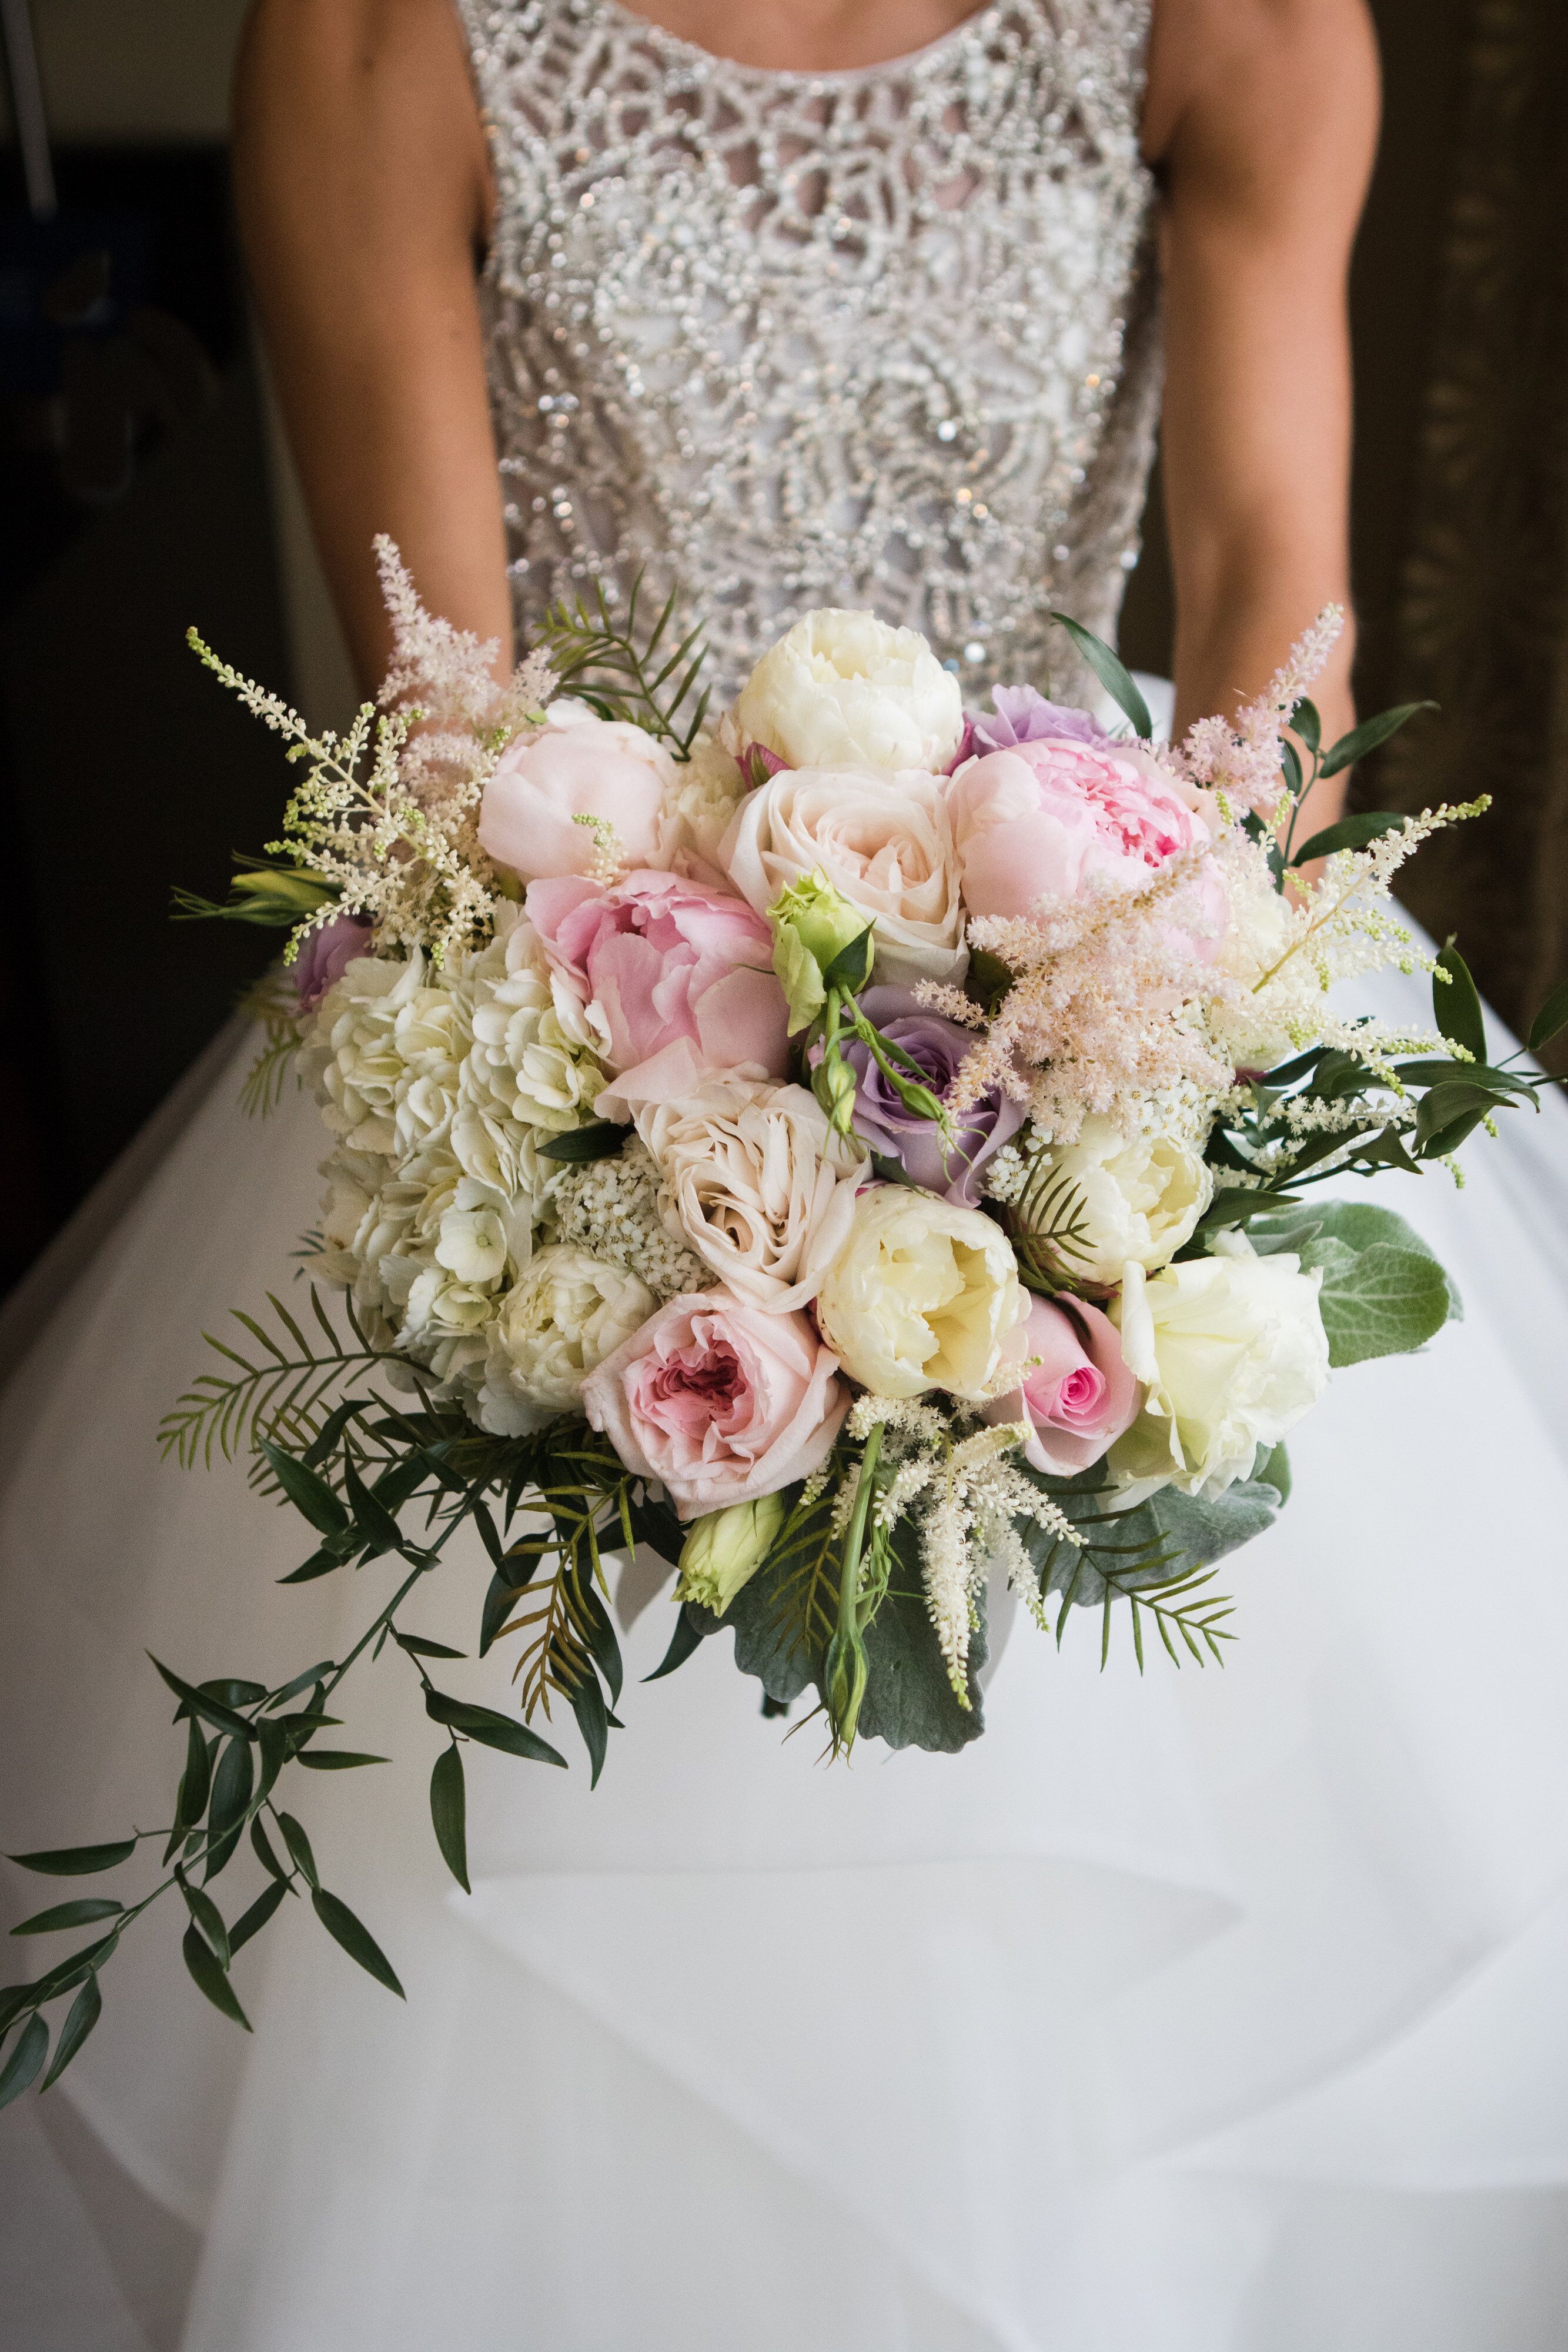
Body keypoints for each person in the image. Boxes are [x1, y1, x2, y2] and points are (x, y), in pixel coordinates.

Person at [4, 4, 1568, 2346]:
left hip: (1109, 940)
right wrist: (703, 1130)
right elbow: (450, 729)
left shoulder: (1233, 18)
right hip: (588, 968)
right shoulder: (370, 38)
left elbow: (1273, 608)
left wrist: (1099, 1065)